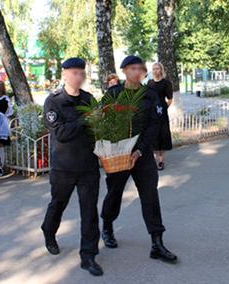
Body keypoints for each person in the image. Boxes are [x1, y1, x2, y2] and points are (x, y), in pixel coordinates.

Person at [100, 55, 178, 264]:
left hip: (141, 155)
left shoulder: (150, 95)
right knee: (114, 193)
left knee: (150, 196)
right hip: (119, 155)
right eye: (133, 68)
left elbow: (154, 124)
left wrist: (141, 150)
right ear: (124, 71)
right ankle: (107, 227)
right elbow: (102, 122)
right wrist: (109, 148)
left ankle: (157, 243)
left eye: (140, 69)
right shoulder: (113, 93)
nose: (138, 72)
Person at [41, 58, 103, 276]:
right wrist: (85, 119)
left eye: (81, 73)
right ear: (65, 74)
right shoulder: (53, 102)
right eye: (75, 72)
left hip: (88, 165)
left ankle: (88, 256)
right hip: (63, 167)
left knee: (89, 211)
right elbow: (61, 133)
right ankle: (49, 231)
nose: (79, 76)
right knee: (58, 203)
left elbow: (98, 128)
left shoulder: (89, 99)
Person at [148, 62, 173, 170]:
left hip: (162, 113)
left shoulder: (166, 83)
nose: (155, 70)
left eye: (157, 68)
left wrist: (163, 108)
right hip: (151, 113)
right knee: (153, 135)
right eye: (153, 69)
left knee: (162, 135)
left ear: (161, 70)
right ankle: (155, 157)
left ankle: (161, 161)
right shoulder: (149, 83)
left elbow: (170, 99)